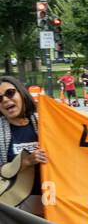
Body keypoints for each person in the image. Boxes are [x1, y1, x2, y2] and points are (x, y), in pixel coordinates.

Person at [0, 77, 46, 213]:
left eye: (10, 93)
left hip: (55, 202)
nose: (5, 100)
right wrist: (25, 162)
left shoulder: (45, 122)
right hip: (18, 209)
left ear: (21, 93)